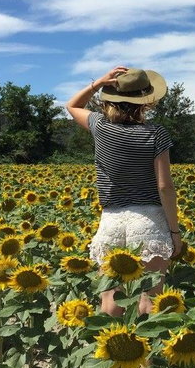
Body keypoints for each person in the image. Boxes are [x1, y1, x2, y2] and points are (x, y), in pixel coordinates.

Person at [65, 66, 183, 316]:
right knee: (150, 301)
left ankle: (113, 352)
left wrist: (98, 83)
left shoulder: (100, 127)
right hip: (149, 222)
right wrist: (174, 231)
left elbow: (72, 105)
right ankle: (147, 356)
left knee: (110, 299)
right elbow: (165, 187)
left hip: (112, 221)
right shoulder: (155, 133)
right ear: (146, 103)